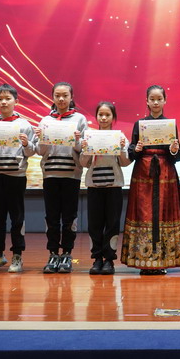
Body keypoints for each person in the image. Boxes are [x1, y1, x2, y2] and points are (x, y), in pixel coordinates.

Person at [121, 85, 180, 275]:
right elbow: (131, 153)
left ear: (165, 101)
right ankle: (143, 260)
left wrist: (173, 149)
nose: (156, 102)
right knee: (144, 213)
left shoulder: (170, 124)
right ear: (147, 101)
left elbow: (178, 156)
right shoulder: (139, 124)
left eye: (159, 99)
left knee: (164, 213)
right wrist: (136, 149)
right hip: (143, 173)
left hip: (166, 172)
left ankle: (163, 259)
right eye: (152, 99)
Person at [0, 83, 36, 273]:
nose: (4, 102)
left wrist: (26, 144)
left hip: (16, 175)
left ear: (16, 101)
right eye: (0, 99)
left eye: (7, 98)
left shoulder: (24, 125)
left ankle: (17, 256)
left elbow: (31, 151)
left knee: (17, 217)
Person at [35, 82, 87, 274]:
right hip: (50, 173)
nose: (61, 99)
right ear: (53, 97)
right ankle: (52, 253)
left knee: (69, 217)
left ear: (71, 97)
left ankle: (66, 253)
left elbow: (84, 148)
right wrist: (41, 138)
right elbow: (40, 151)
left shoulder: (80, 119)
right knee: (51, 217)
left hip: (71, 174)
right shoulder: (45, 120)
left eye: (65, 95)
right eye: (57, 95)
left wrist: (77, 140)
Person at [80, 101, 132, 275]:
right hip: (94, 185)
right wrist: (85, 149)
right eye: (100, 114)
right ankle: (97, 259)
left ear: (113, 117)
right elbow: (83, 163)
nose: (103, 118)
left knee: (112, 223)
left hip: (114, 186)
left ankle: (109, 259)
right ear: (96, 117)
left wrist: (122, 148)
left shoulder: (119, 136)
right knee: (94, 224)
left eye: (107, 115)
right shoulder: (89, 136)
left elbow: (125, 162)